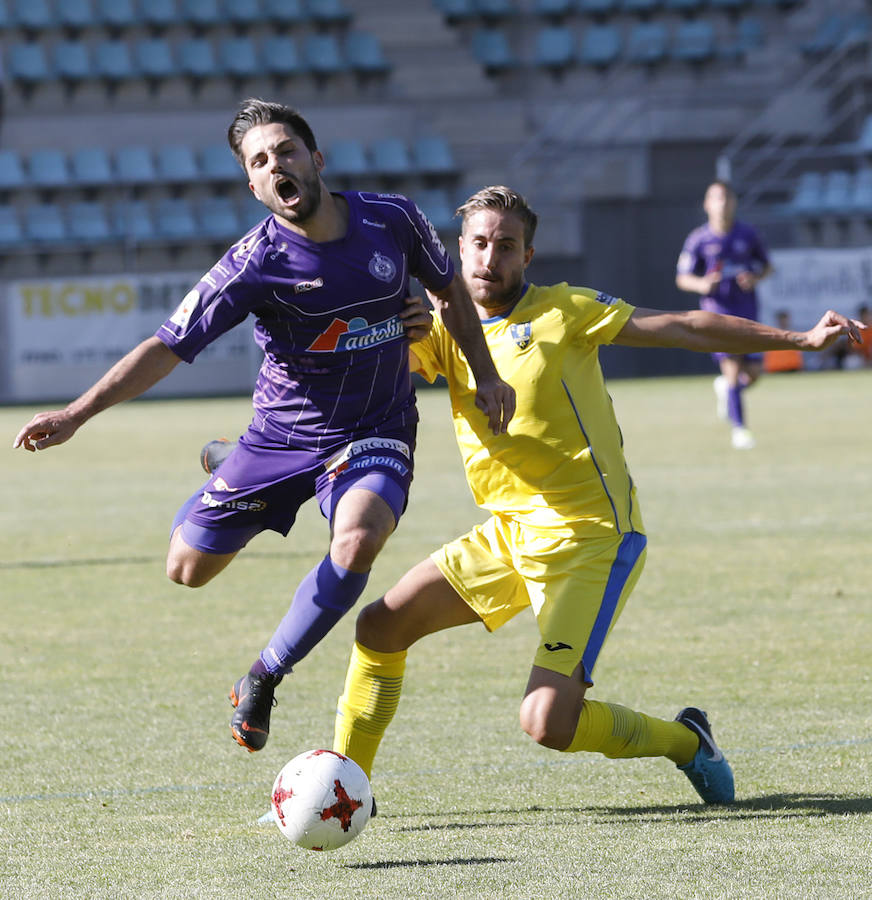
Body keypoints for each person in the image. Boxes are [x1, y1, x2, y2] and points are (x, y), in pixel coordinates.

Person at [331, 186, 865, 806]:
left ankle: (687, 742)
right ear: (458, 249)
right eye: (478, 243)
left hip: (591, 538)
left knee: (546, 724)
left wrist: (797, 341)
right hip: (510, 532)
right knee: (380, 626)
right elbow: (364, 381)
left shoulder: (564, 311)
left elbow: (685, 326)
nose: (489, 258)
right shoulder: (444, 328)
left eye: (506, 246)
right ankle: (339, 787)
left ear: (528, 256)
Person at [12, 99, 514, 754]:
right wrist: (77, 414)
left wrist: (486, 376)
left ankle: (264, 674)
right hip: (282, 439)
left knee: (358, 541)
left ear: (316, 160)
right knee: (186, 571)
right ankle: (229, 462)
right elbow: (167, 345)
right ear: (252, 185)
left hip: (374, 429)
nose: (275, 164)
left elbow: (449, 290)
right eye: (259, 161)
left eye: (284, 150)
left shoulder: (392, 220)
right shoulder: (253, 263)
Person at [676, 180, 773, 449]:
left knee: (753, 372)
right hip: (717, 312)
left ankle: (728, 391)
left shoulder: (748, 234)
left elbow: (767, 267)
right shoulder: (699, 239)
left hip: (747, 310)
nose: (722, 203)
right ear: (707, 204)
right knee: (732, 368)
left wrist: (754, 278)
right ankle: (740, 429)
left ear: (734, 202)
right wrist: (702, 284)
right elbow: (682, 278)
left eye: (727, 198)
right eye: (716, 198)